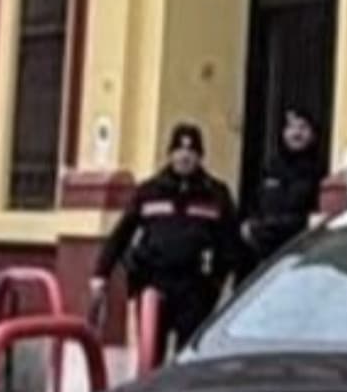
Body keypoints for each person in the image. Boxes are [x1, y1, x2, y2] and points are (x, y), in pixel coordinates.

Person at [91, 123, 242, 355]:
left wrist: (217, 281)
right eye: (179, 151)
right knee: (151, 353)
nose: (185, 157)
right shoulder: (148, 192)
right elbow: (121, 234)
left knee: (188, 355)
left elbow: (231, 242)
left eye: (191, 152)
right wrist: (101, 274)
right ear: (170, 154)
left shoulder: (216, 194)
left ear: (200, 157)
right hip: (153, 283)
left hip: (195, 288)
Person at [242, 108, 326, 275]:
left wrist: (298, 225)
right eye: (291, 127)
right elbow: (254, 213)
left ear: (313, 133)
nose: (296, 133)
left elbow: (314, 221)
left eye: (303, 127)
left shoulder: (320, 172)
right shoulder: (270, 169)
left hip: (303, 259)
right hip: (266, 259)